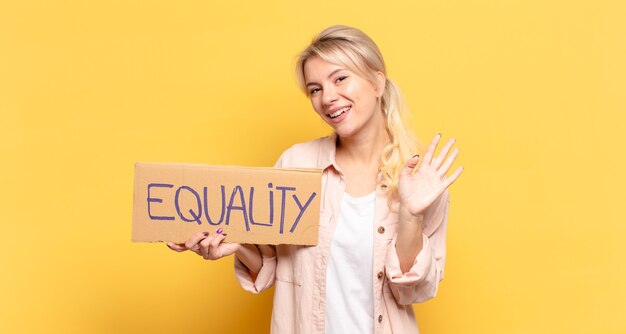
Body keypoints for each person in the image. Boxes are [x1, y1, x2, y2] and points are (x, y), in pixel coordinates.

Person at [167, 25, 463, 334]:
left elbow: (412, 290)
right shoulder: (295, 164)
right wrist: (236, 246)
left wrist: (411, 216)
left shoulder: (419, 181)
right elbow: (270, 266)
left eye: (340, 78)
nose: (328, 98)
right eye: (315, 89)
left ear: (377, 81)